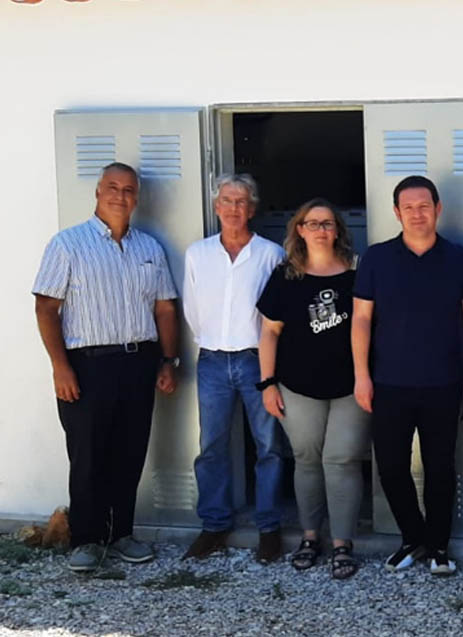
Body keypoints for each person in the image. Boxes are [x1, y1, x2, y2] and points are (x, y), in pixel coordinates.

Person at [33, 162, 179, 572]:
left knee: (129, 453)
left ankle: (121, 535)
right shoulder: (68, 244)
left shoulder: (149, 248)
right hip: (87, 365)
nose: (121, 195)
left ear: (137, 198)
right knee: (87, 455)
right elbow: (46, 308)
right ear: (98, 192)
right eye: (112, 187)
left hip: (139, 363)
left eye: (129, 189)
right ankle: (86, 540)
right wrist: (60, 367)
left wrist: (169, 360)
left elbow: (165, 309)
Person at [351, 175, 463, 576]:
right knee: (390, 467)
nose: (417, 214)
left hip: (444, 381)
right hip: (388, 382)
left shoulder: (460, 259)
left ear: (438, 209)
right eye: (409, 207)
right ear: (396, 212)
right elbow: (361, 319)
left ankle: (439, 546)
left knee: (441, 468)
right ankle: (412, 538)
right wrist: (361, 375)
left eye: (424, 206)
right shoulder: (376, 258)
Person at [256, 198, 369, 579]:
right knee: (306, 458)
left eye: (327, 223)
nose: (320, 230)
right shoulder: (284, 276)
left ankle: (342, 543)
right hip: (296, 385)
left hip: (350, 385)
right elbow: (269, 333)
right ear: (300, 230)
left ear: (337, 230)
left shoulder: (357, 272)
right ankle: (309, 537)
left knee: (341, 459)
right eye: (313, 223)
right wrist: (267, 383)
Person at [181, 174, 286, 563]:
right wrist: (211, 340)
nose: (233, 208)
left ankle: (269, 528)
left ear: (252, 209)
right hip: (211, 360)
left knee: (268, 446)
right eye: (227, 200)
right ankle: (214, 525)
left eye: (241, 201)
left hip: (257, 360)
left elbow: (278, 315)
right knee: (211, 446)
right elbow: (192, 308)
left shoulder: (271, 254)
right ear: (216, 206)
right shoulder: (198, 254)